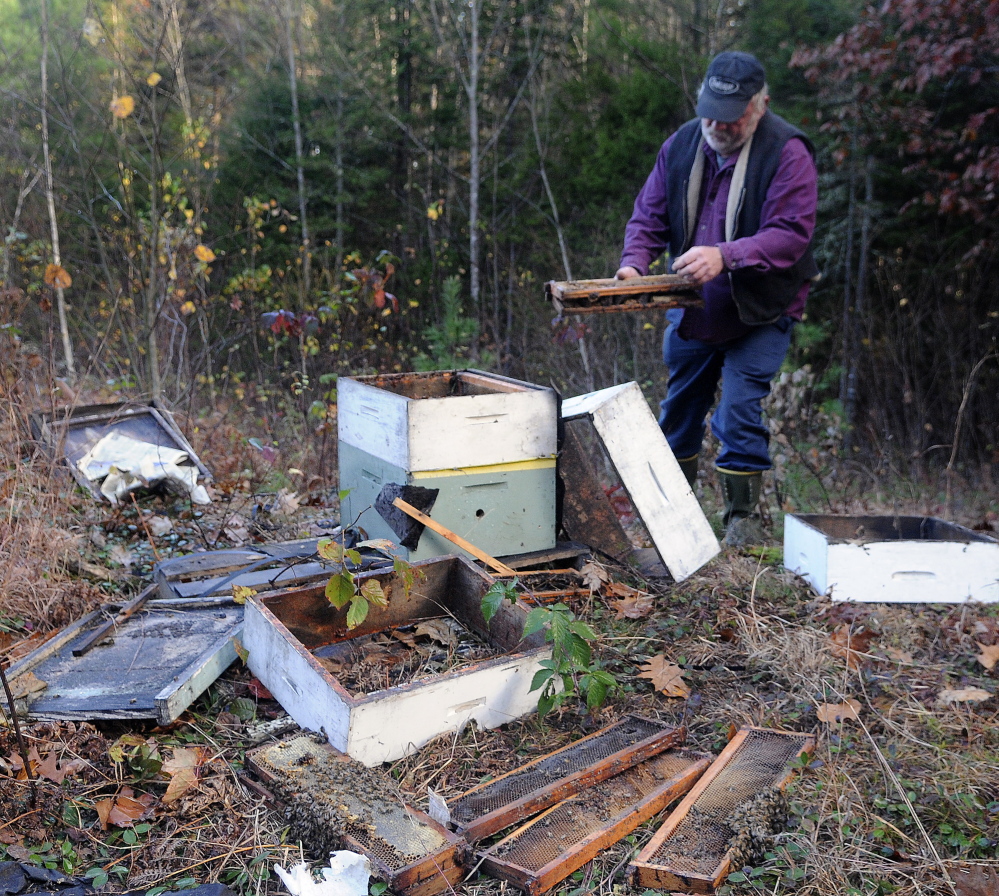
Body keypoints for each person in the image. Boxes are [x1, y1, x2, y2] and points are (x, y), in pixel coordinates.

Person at [615, 51, 818, 546]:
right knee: (680, 409)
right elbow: (649, 215)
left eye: (730, 117)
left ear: (760, 105)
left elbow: (791, 234)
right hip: (696, 307)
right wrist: (633, 263)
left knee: (740, 411)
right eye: (709, 111)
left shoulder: (788, 152)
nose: (717, 125)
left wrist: (725, 256)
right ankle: (673, 522)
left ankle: (741, 524)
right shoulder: (683, 144)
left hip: (762, 311)